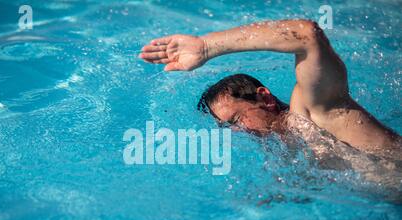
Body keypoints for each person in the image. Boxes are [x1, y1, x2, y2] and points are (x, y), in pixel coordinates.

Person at [139, 19, 401, 159]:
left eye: (238, 119)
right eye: (228, 127)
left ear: (265, 98)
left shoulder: (312, 109)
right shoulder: (283, 151)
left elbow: (308, 36)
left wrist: (207, 47)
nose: (238, 132)